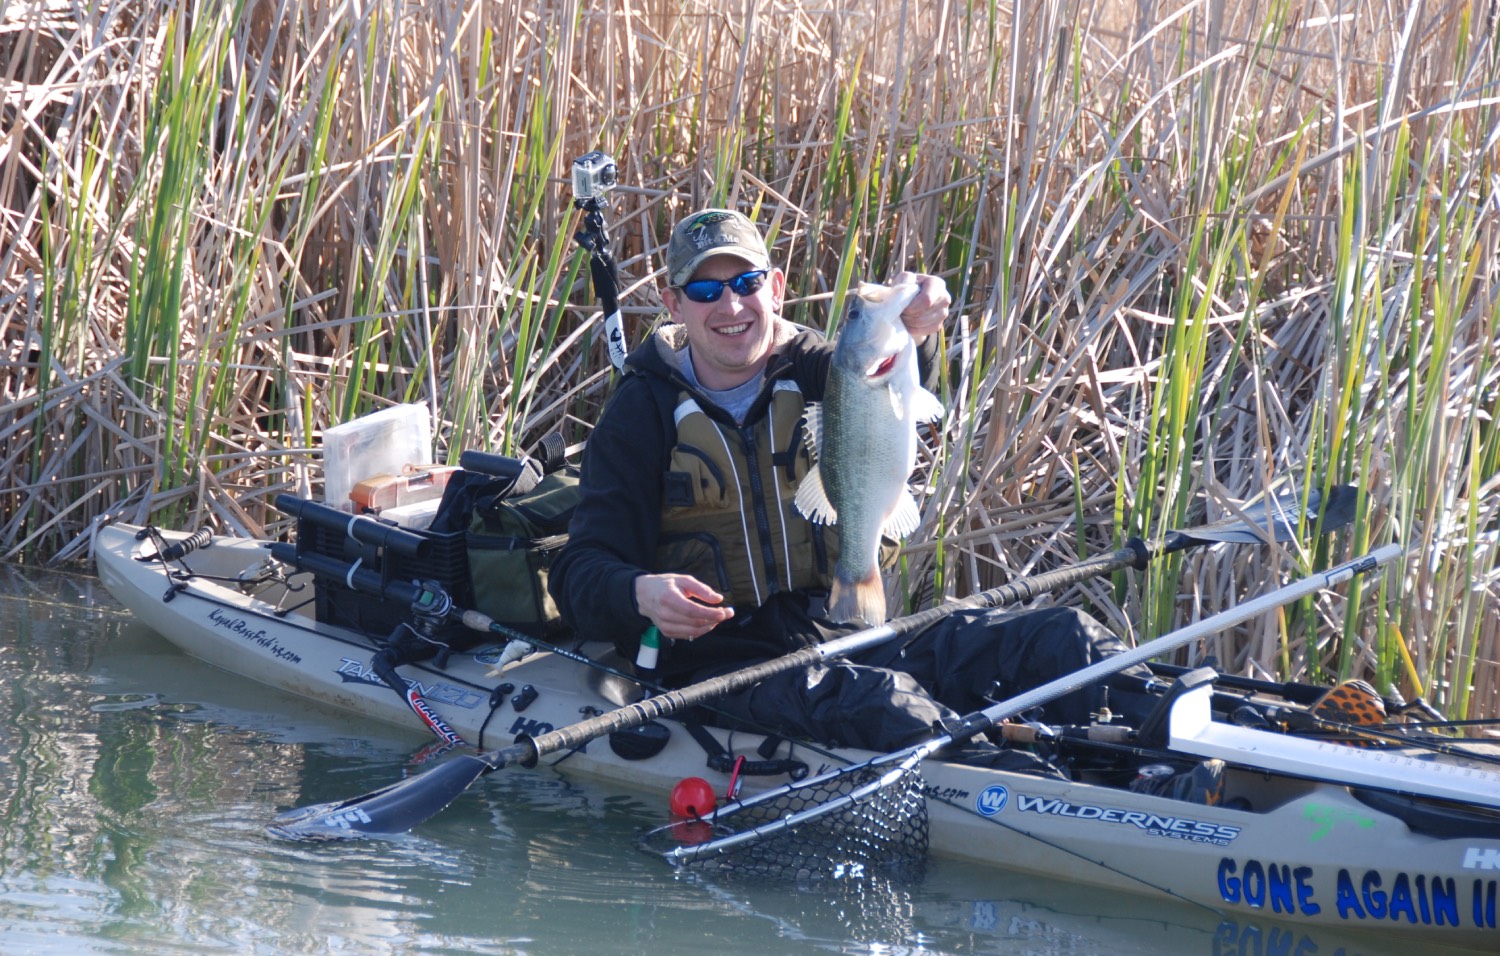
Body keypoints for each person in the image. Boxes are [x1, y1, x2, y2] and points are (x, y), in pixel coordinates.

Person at [549, 207, 1146, 753]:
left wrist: (915, 329)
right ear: (674, 304)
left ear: (776, 288)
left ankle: (1171, 738)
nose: (730, 307)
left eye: (746, 283)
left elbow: (886, 387)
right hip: (719, 667)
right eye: (705, 290)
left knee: (1066, 638)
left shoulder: (818, 368)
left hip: (837, 629)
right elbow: (580, 572)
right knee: (888, 707)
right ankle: (1033, 781)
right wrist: (639, 594)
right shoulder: (641, 411)